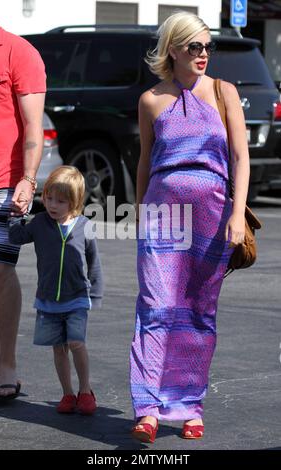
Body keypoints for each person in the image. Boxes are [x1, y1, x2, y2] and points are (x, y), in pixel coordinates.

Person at [130, 11, 250, 442]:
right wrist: (141, 214)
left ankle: (187, 407)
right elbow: (145, 161)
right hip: (162, 216)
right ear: (173, 50)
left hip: (212, 215)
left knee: (198, 312)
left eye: (207, 47)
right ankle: (148, 407)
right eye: (194, 47)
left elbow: (240, 158)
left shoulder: (224, 92)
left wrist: (237, 214)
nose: (203, 54)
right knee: (156, 306)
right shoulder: (151, 100)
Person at [9, 166, 104, 414]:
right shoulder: (40, 223)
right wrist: (15, 215)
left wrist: (95, 294)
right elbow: (17, 236)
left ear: (74, 203)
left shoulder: (84, 226)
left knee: (75, 342)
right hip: (48, 299)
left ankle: (85, 390)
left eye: (60, 201)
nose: (52, 205)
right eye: (49, 197)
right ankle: (67, 394)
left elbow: (94, 263)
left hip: (77, 299)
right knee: (58, 348)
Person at [0, 23, 46, 400]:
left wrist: (28, 181)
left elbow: (33, 127)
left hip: (3, 181)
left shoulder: (17, 51)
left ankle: (7, 364)